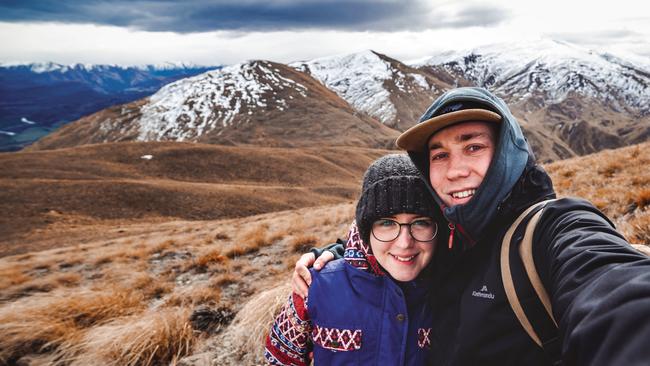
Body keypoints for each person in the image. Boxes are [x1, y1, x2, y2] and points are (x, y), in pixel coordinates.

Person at [293, 87, 650, 365]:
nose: (455, 170)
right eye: (440, 155)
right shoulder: (447, 239)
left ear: (507, 153)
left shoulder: (550, 229)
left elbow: (613, 288)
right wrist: (339, 254)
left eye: (474, 147)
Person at [265, 154, 444, 365]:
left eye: (421, 222)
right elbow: (280, 358)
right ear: (366, 231)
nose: (405, 242)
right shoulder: (314, 287)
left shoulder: (455, 289)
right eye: (387, 223)